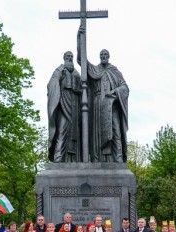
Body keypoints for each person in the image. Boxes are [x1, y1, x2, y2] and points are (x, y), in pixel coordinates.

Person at [78, 24, 129, 162]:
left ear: (109, 56)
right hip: (98, 104)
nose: (103, 56)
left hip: (112, 105)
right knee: (97, 133)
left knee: (115, 131)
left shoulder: (115, 71)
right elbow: (82, 61)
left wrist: (115, 92)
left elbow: (125, 87)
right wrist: (80, 39)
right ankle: (97, 160)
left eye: (105, 55)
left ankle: (117, 159)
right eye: (101, 55)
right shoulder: (95, 70)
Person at [47, 51, 82, 162]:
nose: (70, 58)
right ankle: (58, 156)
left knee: (75, 131)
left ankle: (74, 159)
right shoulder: (59, 70)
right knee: (62, 129)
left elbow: (83, 89)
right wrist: (59, 80)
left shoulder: (76, 73)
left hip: (75, 105)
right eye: (68, 56)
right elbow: (51, 85)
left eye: (71, 57)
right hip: (63, 103)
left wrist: (79, 90)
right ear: (64, 58)